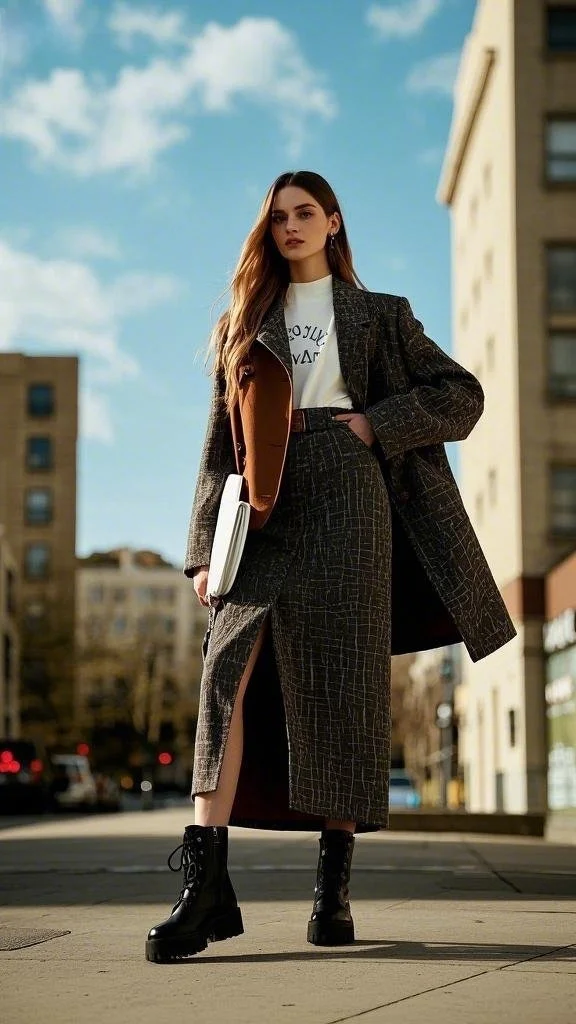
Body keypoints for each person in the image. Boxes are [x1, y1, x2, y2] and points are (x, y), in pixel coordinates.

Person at [145, 170, 516, 964]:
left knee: (342, 686)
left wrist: (375, 427)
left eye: (304, 213)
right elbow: (218, 452)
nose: (290, 226)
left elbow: (463, 394)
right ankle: (206, 887)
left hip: (351, 495)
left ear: (334, 222)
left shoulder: (382, 315)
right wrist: (204, 556)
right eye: (277, 217)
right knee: (224, 675)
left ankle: (333, 892)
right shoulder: (243, 323)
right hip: (262, 506)